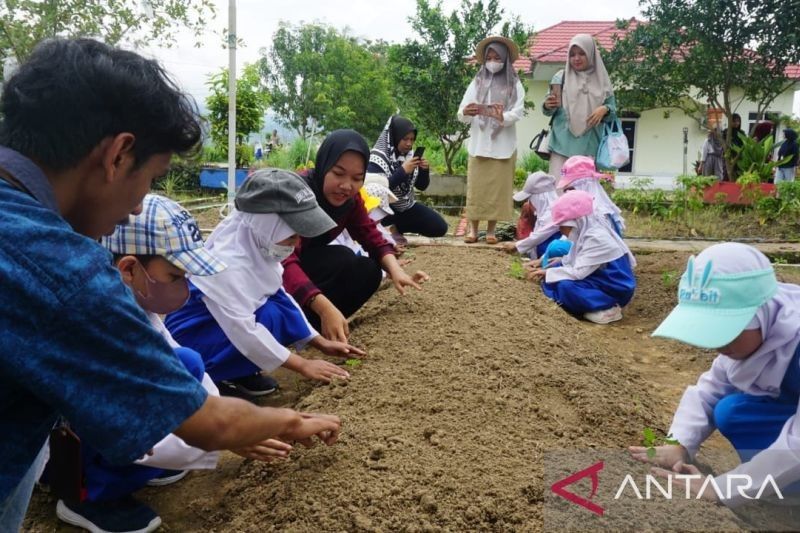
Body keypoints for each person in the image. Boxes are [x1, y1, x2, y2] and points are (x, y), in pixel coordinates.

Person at [0, 38, 340, 532]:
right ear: (118, 155)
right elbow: (205, 419)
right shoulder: (58, 268)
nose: (138, 206)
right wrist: (291, 421)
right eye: (152, 176)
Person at [56, 194, 294, 532]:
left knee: (186, 362)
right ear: (129, 269)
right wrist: (217, 436)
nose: (185, 287)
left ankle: (126, 470)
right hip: (63, 442)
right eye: (175, 276)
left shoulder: (131, 301)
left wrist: (220, 421)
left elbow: (182, 374)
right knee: (162, 389)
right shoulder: (93, 322)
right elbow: (120, 416)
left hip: (109, 415)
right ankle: (88, 495)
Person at [165, 169, 363, 397]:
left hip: (224, 328)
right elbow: (245, 332)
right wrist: (302, 365)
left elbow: (281, 296)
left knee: (274, 310)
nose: (295, 243)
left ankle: (238, 372)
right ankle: (216, 376)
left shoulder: (255, 245)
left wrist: (318, 341)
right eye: (291, 236)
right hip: (194, 339)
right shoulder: (226, 264)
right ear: (266, 225)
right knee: (268, 317)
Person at [630, 243, 800, 507]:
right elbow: (707, 392)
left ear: (761, 314)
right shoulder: (760, 333)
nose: (719, 345)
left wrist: (724, 489)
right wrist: (680, 444)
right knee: (731, 411)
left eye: (728, 332)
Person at [281, 129, 429, 343]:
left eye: (357, 178)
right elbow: (283, 261)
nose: (346, 186)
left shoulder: (350, 200)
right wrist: (324, 307)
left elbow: (370, 235)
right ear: (323, 166)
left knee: (365, 269)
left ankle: (314, 328)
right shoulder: (299, 195)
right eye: (338, 173)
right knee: (340, 256)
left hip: (307, 262)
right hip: (271, 272)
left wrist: (396, 271)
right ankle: (298, 325)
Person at [528, 190, 636, 324]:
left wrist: (547, 272)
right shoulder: (584, 233)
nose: (561, 230)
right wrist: (553, 266)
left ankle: (609, 307)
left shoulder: (597, 239)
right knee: (556, 276)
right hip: (597, 277)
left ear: (576, 222)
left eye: (563, 225)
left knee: (566, 287)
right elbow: (571, 261)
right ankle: (583, 305)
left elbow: (578, 272)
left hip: (613, 287)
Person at [457, 35, 526, 245]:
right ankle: (473, 229)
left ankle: (491, 231)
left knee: (498, 189)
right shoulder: (477, 82)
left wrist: (501, 117)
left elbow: (519, 111)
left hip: (502, 144)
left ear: (505, 59)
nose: (493, 61)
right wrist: (467, 111)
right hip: (479, 142)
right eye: (490, 57)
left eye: (497, 57)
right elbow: (462, 111)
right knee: (477, 189)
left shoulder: (514, 83)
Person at [542, 34, 617, 179]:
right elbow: (548, 110)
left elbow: (613, 112)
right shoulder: (560, 77)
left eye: (582, 53)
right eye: (572, 54)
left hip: (589, 145)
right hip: (561, 144)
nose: (576, 58)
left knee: (584, 194)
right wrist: (547, 105)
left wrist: (605, 109)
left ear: (591, 53)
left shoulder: (602, 81)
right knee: (558, 191)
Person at [367, 115, 448, 243]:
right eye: (405, 139)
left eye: (412, 139)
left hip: (405, 206)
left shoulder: (408, 155)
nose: (409, 144)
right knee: (377, 216)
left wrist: (423, 171)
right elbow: (377, 191)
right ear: (395, 137)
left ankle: (396, 227)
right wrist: (403, 171)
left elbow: (421, 186)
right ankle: (387, 228)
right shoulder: (377, 159)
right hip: (383, 209)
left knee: (439, 227)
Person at [556, 155, 625, 236]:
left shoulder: (598, 218)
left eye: (571, 190)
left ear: (584, 186)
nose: (568, 195)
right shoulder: (599, 211)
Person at [502, 171, 561, 259]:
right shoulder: (544, 213)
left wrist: (516, 245)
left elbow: (539, 236)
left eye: (530, 199)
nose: (529, 203)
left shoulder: (555, 211)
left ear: (539, 198)